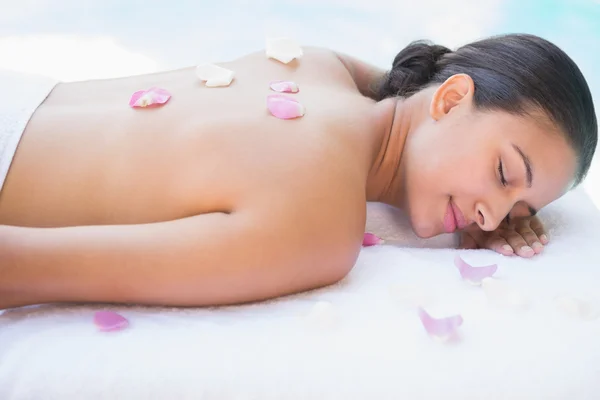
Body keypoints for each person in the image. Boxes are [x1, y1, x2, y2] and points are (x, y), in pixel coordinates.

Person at [0, 33, 596, 309]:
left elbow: (400, 88)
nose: (493, 215)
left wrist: (483, 197)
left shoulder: (315, 62)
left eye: (520, 210)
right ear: (448, 99)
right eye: (501, 171)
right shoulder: (318, 227)